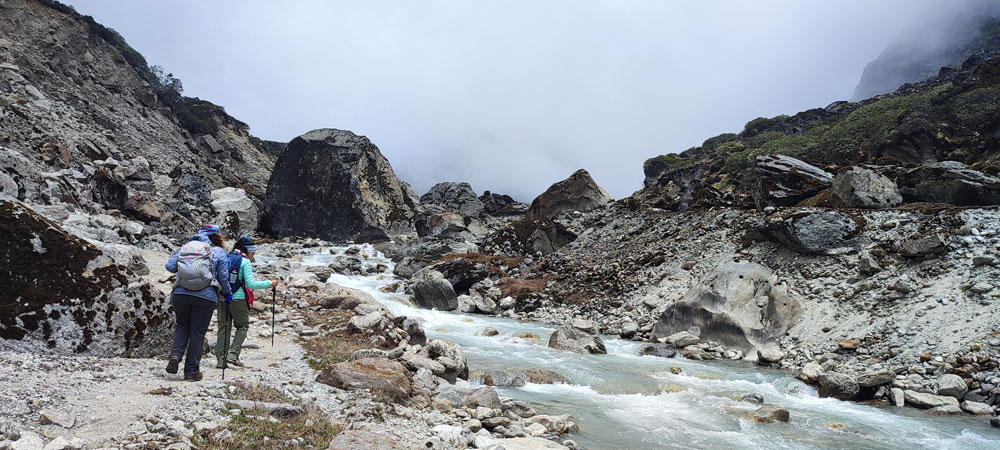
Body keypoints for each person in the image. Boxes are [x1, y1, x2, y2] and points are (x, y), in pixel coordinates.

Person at [164, 224, 232, 381]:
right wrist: (227, 294)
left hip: (181, 293)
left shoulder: (186, 247)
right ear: (217, 237)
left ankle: (175, 355)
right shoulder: (218, 252)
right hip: (205, 297)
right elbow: (223, 277)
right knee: (197, 333)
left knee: (182, 326)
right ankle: (191, 372)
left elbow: (170, 266)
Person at [215, 236, 278, 368]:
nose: (253, 257)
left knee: (223, 328)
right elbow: (251, 283)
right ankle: (232, 355)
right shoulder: (245, 262)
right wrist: (269, 283)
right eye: (252, 253)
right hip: (238, 298)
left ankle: (221, 361)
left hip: (222, 297)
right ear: (247, 251)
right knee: (242, 326)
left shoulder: (225, 258)